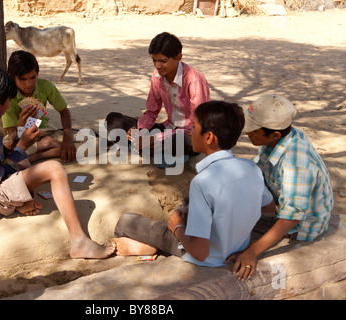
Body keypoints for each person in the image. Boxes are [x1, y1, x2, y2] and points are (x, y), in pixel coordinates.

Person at [0, 67, 114, 259]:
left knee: (22, 160)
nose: (8, 106)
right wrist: (22, 145)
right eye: (7, 102)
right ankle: (79, 242)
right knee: (54, 169)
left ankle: (21, 201)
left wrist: (17, 142)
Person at [112, 101, 273, 267]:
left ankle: (150, 246)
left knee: (126, 221)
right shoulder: (251, 167)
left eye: (194, 128)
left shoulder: (202, 183)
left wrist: (177, 228)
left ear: (209, 137)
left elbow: (200, 252)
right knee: (187, 206)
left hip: (207, 257)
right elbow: (268, 208)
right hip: (238, 245)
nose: (191, 132)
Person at [226, 94, 334, 280]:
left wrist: (252, 252)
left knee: (229, 245)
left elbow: (291, 217)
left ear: (274, 134)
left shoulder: (296, 162)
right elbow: (258, 166)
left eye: (253, 131)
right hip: (280, 198)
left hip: (301, 226)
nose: (247, 134)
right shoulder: (282, 135)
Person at [105, 32, 210, 167]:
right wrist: (140, 132)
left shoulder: (194, 80)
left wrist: (152, 139)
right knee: (114, 120)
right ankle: (150, 147)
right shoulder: (157, 76)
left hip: (190, 135)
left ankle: (150, 148)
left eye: (162, 61)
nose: (157, 66)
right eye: (154, 60)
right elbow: (151, 111)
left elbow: (197, 124)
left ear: (178, 57)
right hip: (168, 128)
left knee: (177, 142)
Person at [2, 50, 76, 166]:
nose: (29, 84)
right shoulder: (8, 97)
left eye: (33, 77)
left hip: (44, 131)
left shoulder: (45, 86)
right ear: (13, 77)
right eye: (23, 79)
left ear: (37, 73)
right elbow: (13, 136)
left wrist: (67, 138)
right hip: (19, 136)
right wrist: (22, 123)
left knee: (82, 146)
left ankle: (37, 153)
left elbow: (64, 112)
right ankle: (45, 148)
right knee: (8, 152)